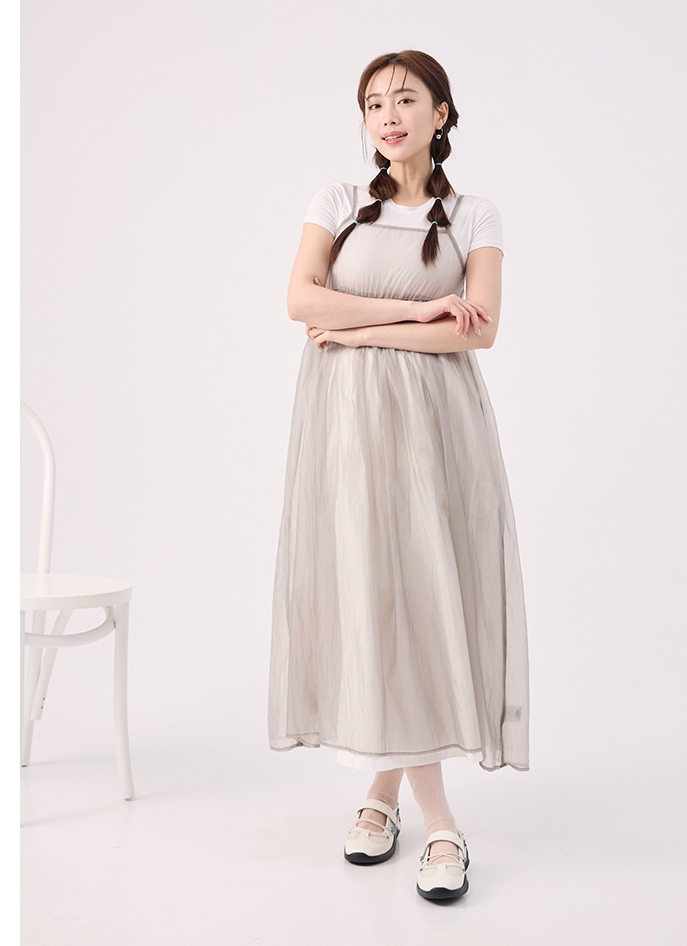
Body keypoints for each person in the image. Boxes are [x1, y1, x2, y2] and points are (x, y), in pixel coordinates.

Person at [268, 50, 529, 902]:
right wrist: (416, 310)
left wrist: (357, 332)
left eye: (406, 99)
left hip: (435, 435)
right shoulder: (337, 202)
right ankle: (406, 805)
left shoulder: (474, 214)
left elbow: (478, 331)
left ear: (441, 114)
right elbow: (301, 301)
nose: (388, 115)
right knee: (374, 602)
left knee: (420, 603)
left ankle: (421, 815)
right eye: (374, 102)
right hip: (344, 433)